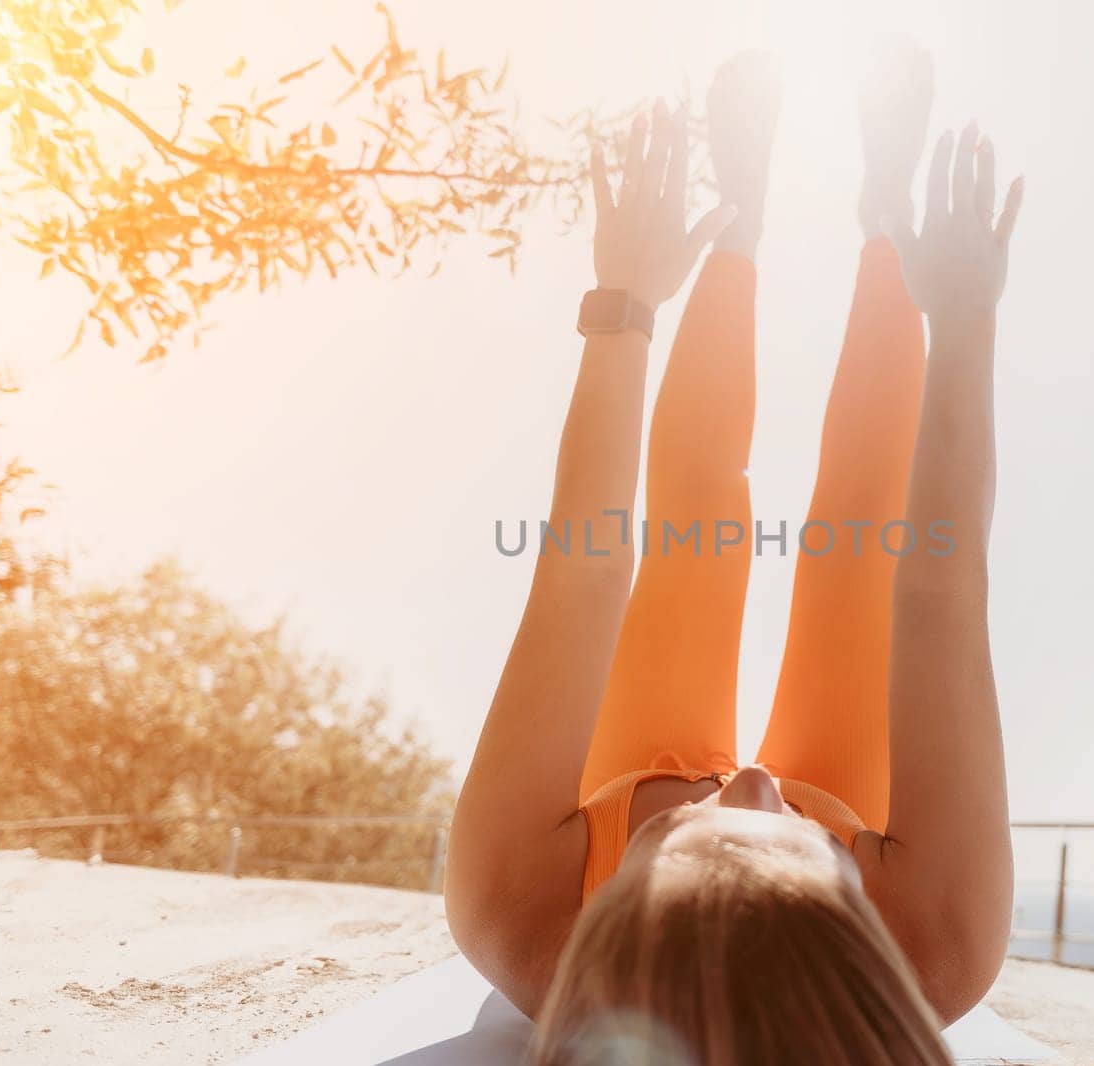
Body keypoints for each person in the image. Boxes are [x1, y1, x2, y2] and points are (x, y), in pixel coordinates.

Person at [446, 43, 1024, 1064]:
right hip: (858, 854)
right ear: (857, 926)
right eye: (797, 838)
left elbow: (583, 569)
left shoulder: (513, 903)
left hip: (650, 799)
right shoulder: (939, 942)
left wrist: (623, 302)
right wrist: (963, 314)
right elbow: (938, 591)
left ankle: (739, 228)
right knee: (864, 546)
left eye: (694, 827)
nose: (752, 775)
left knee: (692, 534)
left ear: (612, 914)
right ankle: (880, 226)